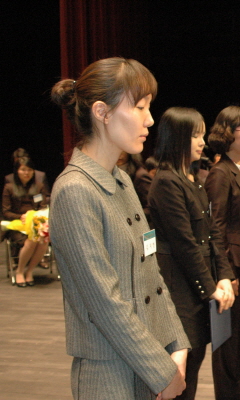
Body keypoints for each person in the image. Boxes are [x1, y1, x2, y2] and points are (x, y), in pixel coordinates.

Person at [50, 57, 189, 399]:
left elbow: (152, 275)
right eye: (140, 107)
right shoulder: (74, 191)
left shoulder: (122, 181)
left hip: (151, 357)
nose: (150, 119)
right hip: (110, 374)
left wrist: (177, 345)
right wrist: (162, 370)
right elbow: (105, 304)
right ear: (102, 112)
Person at [148, 107, 236, 400]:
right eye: (195, 135)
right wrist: (210, 289)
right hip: (180, 294)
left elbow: (211, 236)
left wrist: (223, 277)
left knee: (193, 369)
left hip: (198, 291)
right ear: (177, 138)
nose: (202, 141)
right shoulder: (166, 182)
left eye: (202, 133)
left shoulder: (193, 179)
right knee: (179, 375)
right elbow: (185, 245)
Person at [205, 105, 240, 400]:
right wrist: (225, 273)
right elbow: (216, 228)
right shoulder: (220, 172)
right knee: (231, 340)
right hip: (233, 268)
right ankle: (232, 394)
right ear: (228, 132)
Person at [2, 156, 50, 286]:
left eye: (29, 170)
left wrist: (33, 216)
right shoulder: (9, 188)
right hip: (17, 224)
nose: (26, 173)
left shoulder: (39, 187)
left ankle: (29, 272)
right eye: (23, 170)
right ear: (17, 171)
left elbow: (42, 206)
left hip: (35, 222)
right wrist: (21, 217)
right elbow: (6, 212)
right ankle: (19, 271)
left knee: (43, 240)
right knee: (32, 239)